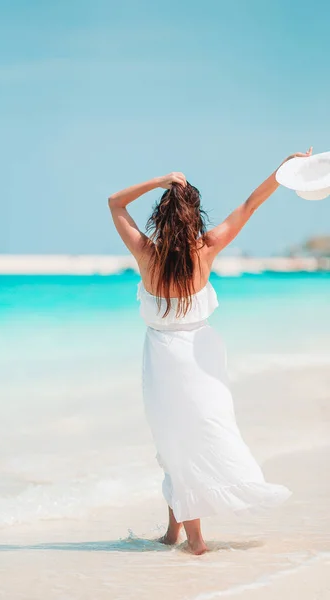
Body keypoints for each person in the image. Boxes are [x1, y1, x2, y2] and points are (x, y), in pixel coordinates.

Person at [107, 147, 312, 555]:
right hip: (201, 356)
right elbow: (250, 205)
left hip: (162, 359)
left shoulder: (146, 254)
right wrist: (282, 171)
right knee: (190, 441)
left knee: (173, 443)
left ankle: (195, 541)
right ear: (195, 215)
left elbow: (115, 202)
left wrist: (162, 178)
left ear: (161, 216)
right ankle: (174, 535)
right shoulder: (208, 247)